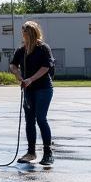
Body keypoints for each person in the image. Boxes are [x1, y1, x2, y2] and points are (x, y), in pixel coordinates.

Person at [10, 20, 55, 166]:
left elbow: (46, 67)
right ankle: (31, 152)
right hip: (28, 90)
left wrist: (31, 79)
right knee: (29, 120)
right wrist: (18, 75)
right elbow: (13, 65)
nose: (25, 36)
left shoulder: (43, 48)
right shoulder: (21, 50)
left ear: (34, 33)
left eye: (27, 33)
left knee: (41, 119)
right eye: (24, 34)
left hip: (43, 88)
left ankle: (48, 152)